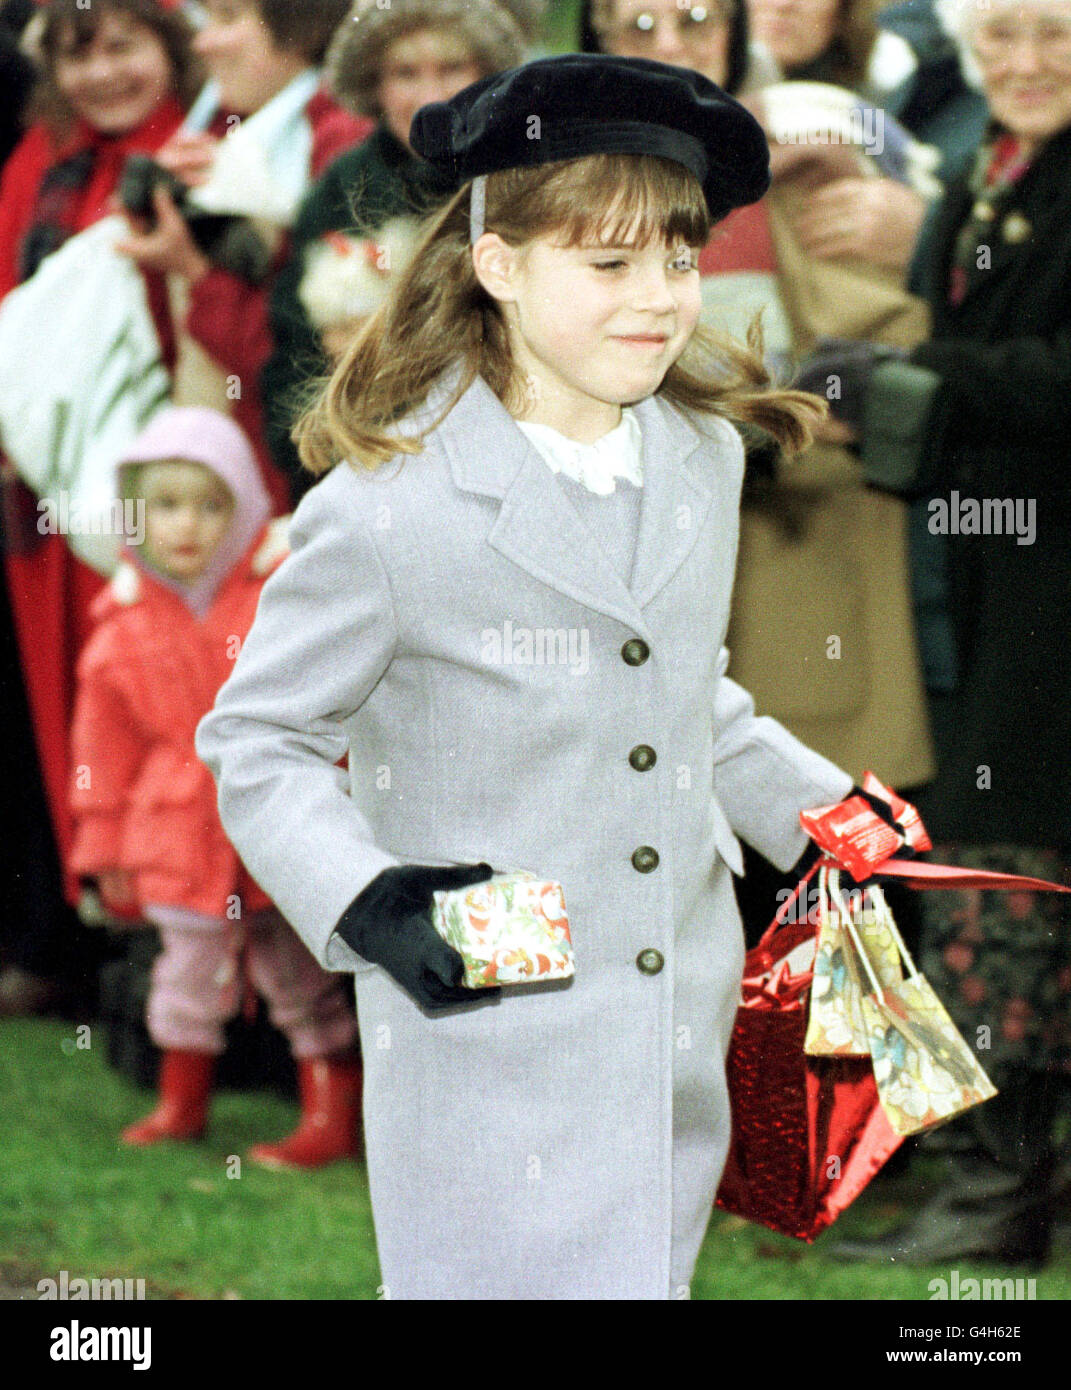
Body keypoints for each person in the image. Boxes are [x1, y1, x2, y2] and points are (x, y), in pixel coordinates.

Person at [196, 55, 870, 1300]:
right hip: (490, 1023)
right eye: (607, 266)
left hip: (672, 1013)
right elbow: (259, 738)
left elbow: (676, 690)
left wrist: (832, 817)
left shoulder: (702, 458)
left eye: (677, 260)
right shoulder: (390, 507)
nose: (659, 299)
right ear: (499, 265)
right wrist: (370, 897)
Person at [797, 0, 1071, 1265]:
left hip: (1053, 575)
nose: (1021, 64)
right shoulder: (983, 176)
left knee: (1005, 860)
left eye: (1052, 37)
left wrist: (922, 385)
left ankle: (999, 1195)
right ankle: (998, 1178)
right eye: (999, 39)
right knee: (1001, 853)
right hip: (989, 562)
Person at [69, 407, 361, 1168]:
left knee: (302, 977)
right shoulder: (121, 625)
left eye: (210, 504)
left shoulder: (278, 598)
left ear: (244, 510)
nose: (186, 527)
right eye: (164, 506)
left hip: (277, 822)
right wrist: (102, 849)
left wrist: (343, 802)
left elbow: (327, 703)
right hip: (175, 834)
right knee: (186, 976)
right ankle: (180, 1103)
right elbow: (100, 752)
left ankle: (331, 1114)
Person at [0, 0, 199, 1018]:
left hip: (166, 487)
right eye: (80, 55)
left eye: (125, 46)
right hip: (48, 494)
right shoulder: (42, 160)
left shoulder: (199, 148)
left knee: (162, 704)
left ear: (170, 50)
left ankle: (186, 958)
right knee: (74, 714)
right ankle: (80, 942)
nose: (104, 74)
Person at [261, 0, 526, 503]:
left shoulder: (525, 176)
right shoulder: (340, 188)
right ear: (375, 87)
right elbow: (293, 359)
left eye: (451, 68)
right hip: (368, 470)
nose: (431, 95)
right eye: (405, 73)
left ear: (489, 76)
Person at [116, 0, 365, 519]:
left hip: (295, 487)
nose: (203, 42)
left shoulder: (338, 143)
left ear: (300, 27)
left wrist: (196, 273)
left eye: (228, 19)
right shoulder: (234, 135)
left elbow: (304, 355)